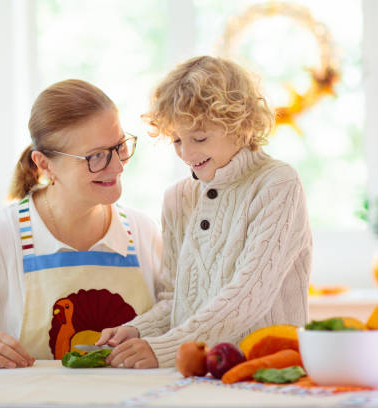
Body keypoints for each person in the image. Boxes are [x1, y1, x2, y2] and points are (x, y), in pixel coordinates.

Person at [0, 79, 161, 371]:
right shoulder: (1, 237)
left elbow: (184, 323)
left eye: (119, 146)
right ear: (45, 164)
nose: (117, 166)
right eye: (95, 157)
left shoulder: (143, 232)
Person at [97, 56, 312, 369]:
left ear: (241, 125)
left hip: (267, 370)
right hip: (197, 370)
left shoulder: (277, 184)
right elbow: (175, 300)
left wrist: (166, 347)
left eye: (199, 138)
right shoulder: (178, 198)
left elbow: (248, 296)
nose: (187, 154)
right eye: (177, 140)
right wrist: (137, 329)